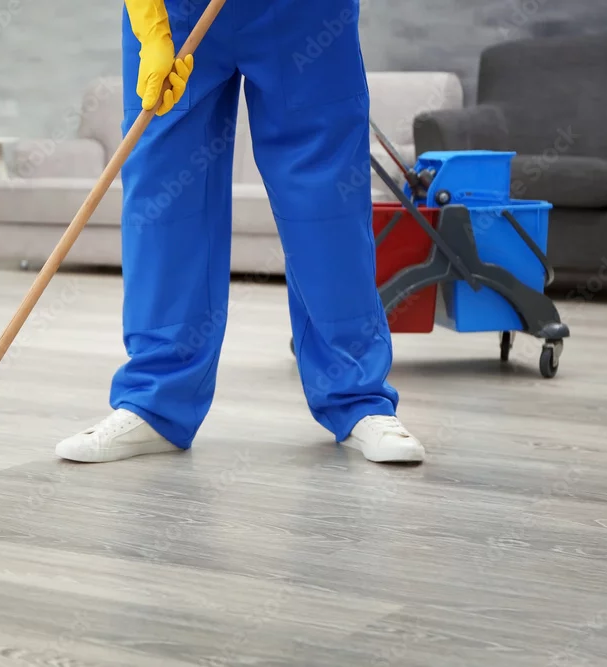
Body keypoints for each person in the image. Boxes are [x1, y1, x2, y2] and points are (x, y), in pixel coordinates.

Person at [55, 0, 425, 464]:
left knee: (326, 199)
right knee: (165, 196)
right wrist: (151, 24)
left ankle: (358, 398)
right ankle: (154, 402)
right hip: (177, 11)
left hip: (305, 13)